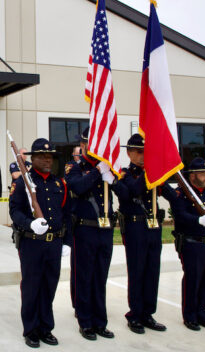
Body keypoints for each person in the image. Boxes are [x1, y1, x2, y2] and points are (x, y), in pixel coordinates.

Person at [9, 138, 71, 348]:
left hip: (54, 244)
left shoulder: (59, 183)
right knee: (31, 287)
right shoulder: (21, 183)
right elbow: (14, 212)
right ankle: (31, 329)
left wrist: (67, 242)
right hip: (32, 243)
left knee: (49, 287)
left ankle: (46, 328)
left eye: (50, 156)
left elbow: (66, 214)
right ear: (32, 158)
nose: (47, 159)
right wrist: (30, 224)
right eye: (42, 156)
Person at [65, 128, 119, 341]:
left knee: (100, 277)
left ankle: (100, 322)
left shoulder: (109, 168)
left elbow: (124, 191)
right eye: (89, 144)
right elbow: (77, 187)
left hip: (105, 230)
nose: (92, 148)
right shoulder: (75, 168)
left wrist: (113, 178)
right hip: (84, 230)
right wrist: (98, 171)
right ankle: (85, 322)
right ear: (84, 145)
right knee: (84, 276)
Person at [114, 134, 168, 334]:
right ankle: (135, 315)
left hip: (154, 227)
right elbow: (133, 191)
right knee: (137, 271)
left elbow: (171, 194)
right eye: (138, 151)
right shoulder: (124, 174)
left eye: (146, 152)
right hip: (135, 228)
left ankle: (148, 313)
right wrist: (151, 172)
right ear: (128, 152)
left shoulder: (153, 173)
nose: (142, 155)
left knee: (152, 271)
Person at [166, 157, 205, 331]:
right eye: (203, 173)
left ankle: (202, 314)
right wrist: (198, 220)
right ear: (192, 176)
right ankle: (190, 316)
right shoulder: (182, 194)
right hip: (192, 244)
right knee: (193, 280)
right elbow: (180, 216)